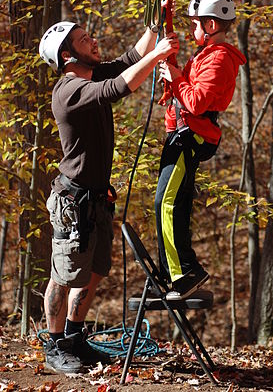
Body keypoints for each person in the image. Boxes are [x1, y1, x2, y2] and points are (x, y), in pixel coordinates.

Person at [38, 20, 178, 374]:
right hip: (73, 201)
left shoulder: (93, 73)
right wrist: (160, 53)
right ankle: (54, 346)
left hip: (98, 197)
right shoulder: (68, 90)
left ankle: (74, 338)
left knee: (96, 271)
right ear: (68, 56)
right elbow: (120, 86)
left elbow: (132, 57)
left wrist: (154, 25)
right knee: (65, 274)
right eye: (85, 40)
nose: (94, 41)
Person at [155, 0, 246, 300]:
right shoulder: (205, 56)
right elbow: (186, 91)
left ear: (210, 26)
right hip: (182, 133)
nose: (192, 30)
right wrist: (173, 72)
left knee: (165, 204)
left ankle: (181, 274)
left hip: (189, 136)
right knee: (174, 203)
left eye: (195, 25)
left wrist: (177, 77)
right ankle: (179, 270)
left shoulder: (220, 58)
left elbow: (195, 101)